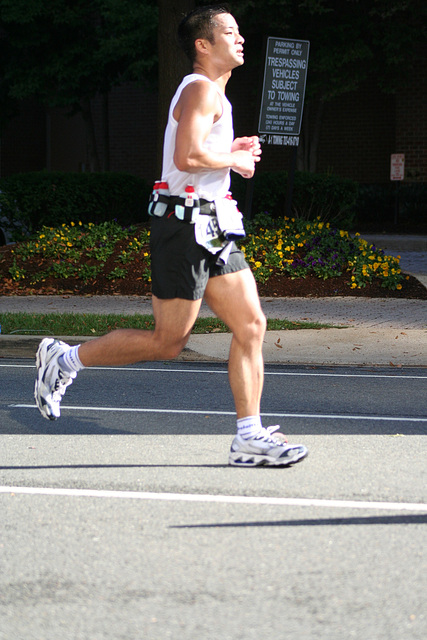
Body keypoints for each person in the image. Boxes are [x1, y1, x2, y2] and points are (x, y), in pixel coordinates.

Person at [34, 4, 308, 468]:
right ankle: (63, 360)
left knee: (251, 325)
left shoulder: (215, 96)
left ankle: (249, 436)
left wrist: (227, 148)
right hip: (183, 227)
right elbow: (186, 158)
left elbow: (198, 151)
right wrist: (235, 160)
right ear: (204, 45)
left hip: (213, 226)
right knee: (168, 342)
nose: (240, 39)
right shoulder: (201, 88)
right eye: (230, 32)